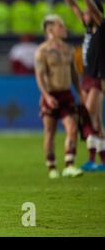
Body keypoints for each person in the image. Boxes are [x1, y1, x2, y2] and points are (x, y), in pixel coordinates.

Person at [53, 0, 105, 171]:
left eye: (87, 12)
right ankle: (96, 160)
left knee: (89, 116)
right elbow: (73, 6)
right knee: (95, 119)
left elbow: (89, 6)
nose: (82, 14)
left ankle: (95, 160)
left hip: (98, 77)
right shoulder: (87, 28)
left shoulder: (101, 26)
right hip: (87, 76)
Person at [34, 15, 84, 179]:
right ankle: (52, 166)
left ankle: (69, 164)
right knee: (50, 131)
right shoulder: (42, 51)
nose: (65, 28)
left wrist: (81, 92)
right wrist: (46, 96)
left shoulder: (70, 49)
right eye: (60, 26)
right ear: (50, 30)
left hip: (67, 94)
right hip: (51, 95)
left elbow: (75, 75)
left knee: (72, 128)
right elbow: (40, 77)